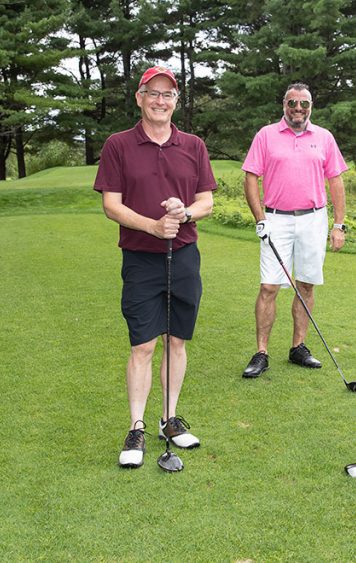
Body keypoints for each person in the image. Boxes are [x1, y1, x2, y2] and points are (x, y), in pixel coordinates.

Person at [94, 66, 216, 469]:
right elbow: (111, 204)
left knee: (176, 341)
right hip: (141, 258)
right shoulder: (118, 144)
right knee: (143, 344)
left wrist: (184, 213)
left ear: (175, 101)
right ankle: (137, 427)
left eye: (168, 95)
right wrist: (152, 226)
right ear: (139, 98)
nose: (160, 101)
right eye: (153, 93)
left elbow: (206, 202)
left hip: (183, 256)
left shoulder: (193, 145)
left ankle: (169, 420)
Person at [240, 82, 348, 378]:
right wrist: (259, 217)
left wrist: (338, 224)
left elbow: (335, 181)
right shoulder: (266, 135)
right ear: (283, 105)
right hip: (276, 219)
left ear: (311, 107)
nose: (298, 109)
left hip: (314, 219)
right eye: (292, 103)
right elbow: (251, 177)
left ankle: (298, 347)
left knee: (306, 284)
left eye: (304, 104)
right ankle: (261, 352)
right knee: (269, 286)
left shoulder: (324, 137)